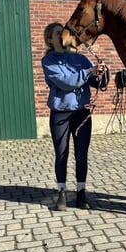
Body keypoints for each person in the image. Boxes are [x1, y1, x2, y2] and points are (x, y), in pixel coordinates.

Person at [41, 22, 109, 211]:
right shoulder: (48, 61)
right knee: (61, 154)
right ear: (50, 39)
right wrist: (89, 72)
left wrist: (102, 73)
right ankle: (61, 193)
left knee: (82, 154)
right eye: (57, 33)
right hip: (60, 115)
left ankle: (81, 193)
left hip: (82, 113)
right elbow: (66, 82)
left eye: (63, 32)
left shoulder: (81, 59)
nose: (62, 34)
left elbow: (97, 82)